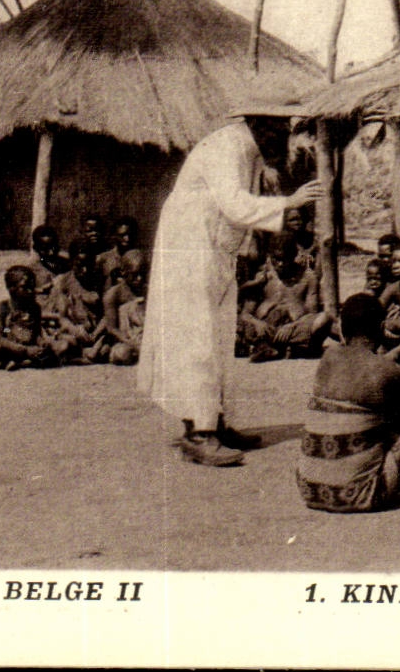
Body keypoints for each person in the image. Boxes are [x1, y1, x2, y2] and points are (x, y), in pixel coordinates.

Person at [137, 99, 323, 467]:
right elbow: (237, 205)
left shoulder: (248, 151)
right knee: (198, 337)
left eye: (285, 125)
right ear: (257, 122)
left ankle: (216, 422)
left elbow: (238, 213)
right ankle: (200, 433)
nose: (283, 133)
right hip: (191, 250)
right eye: (277, 125)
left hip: (213, 251)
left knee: (219, 336)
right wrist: (292, 201)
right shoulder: (227, 146)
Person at [297, 294, 400, 512]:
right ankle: (363, 476)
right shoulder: (393, 373)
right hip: (359, 496)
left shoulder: (328, 358)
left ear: (341, 330)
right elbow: (398, 432)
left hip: (310, 490)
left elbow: (363, 371)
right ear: (381, 327)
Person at [0, 265, 52, 369]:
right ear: (11, 288)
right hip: (10, 346)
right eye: (25, 288)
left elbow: (36, 333)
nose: (30, 291)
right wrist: (23, 350)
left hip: (28, 346)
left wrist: (42, 342)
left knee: (54, 349)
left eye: (32, 287)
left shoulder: (34, 308)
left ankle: (22, 363)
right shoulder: (3, 308)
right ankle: (18, 362)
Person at [98, 251, 147, 365]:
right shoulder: (113, 294)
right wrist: (131, 343)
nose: (139, 278)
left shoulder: (146, 290)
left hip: (143, 335)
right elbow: (112, 329)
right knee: (122, 353)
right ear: (124, 272)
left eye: (142, 274)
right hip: (124, 339)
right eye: (135, 274)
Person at [95, 216, 142, 289]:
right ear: (115, 235)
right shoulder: (103, 258)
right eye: (122, 235)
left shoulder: (140, 258)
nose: (127, 239)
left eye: (130, 235)